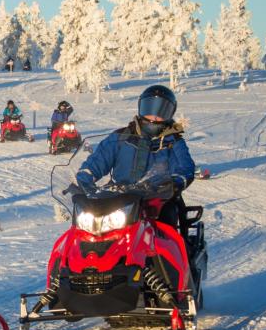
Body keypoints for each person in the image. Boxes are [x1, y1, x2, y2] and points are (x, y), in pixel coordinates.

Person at [74, 85, 195, 229]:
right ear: (141, 108)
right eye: (149, 109)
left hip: (156, 199)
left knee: (167, 222)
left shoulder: (173, 141)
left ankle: (168, 251)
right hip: (118, 196)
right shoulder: (121, 137)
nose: (154, 117)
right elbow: (98, 161)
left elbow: (185, 167)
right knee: (86, 224)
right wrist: (85, 180)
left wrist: (174, 183)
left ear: (170, 114)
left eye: (161, 112)